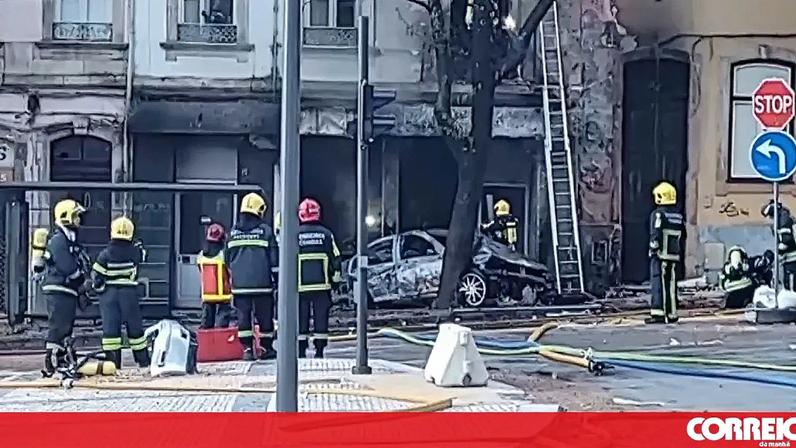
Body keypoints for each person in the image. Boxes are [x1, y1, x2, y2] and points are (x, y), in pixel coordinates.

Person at [226, 192, 278, 361]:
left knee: (243, 318)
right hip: (263, 284)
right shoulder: (266, 231)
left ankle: (247, 349)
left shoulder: (233, 233)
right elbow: (275, 260)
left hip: (240, 286)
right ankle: (266, 348)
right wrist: (277, 281)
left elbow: (226, 258)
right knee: (265, 317)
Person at [91, 216, 149, 369]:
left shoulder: (105, 254)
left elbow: (97, 278)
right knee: (135, 328)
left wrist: (98, 289)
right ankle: (143, 361)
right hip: (129, 294)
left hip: (109, 296)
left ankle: (112, 363)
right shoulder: (135, 252)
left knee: (111, 331)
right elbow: (143, 257)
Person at [41, 199, 88, 375]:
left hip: (66, 290)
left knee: (65, 326)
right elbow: (67, 266)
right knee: (59, 326)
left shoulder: (69, 239)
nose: (79, 220)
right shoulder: (59, 241)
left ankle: (61, 360)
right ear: (65, 216)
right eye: (76, 216)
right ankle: (52, 360)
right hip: (58, 289)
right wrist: (81, 281)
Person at [297, 198, 341, 359]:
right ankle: (319, 351)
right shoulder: (326, 234)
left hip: (299, 287)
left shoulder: (294, 234)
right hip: (322, 286)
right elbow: (336, 258)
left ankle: (300, 351)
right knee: (321, 318)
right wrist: (335, 281)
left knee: (300, 320)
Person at [646, 181, 684, 324]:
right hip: (674, 254)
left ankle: (658, 313)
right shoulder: (678, 216)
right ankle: (672, 313)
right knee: (672, 284)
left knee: (658, 283)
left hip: (661, 254)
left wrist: (653, 248)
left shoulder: (658, 215)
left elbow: (655, 233)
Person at [197, 223, 234, 329]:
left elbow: (200, 270)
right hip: (223, 296)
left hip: (207, 296)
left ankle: (207, 345)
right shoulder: (223, 255)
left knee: (206, 326)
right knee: (221, 328)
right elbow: (230, 271)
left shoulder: (200, 255)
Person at [762, 200, 796, 290]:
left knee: (790, 281)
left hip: (791, 258)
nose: (769, 218)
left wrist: (779, 249)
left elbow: (787, 239)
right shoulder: (783, 217)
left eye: (769, 215)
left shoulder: (783, 219)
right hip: (789, 258)